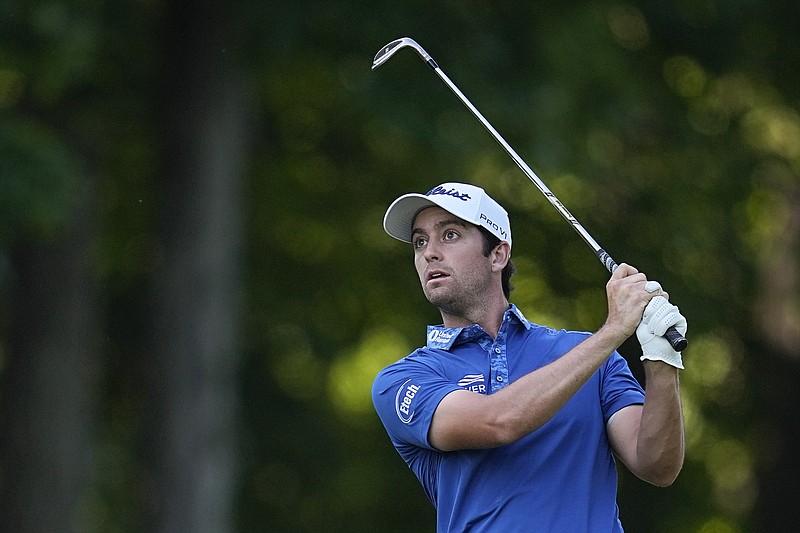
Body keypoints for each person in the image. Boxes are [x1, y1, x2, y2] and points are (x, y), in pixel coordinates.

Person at [372, 182, 687, 532]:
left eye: (449, 235)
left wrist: (662, 361)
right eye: (420, 241)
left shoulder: (590, 357)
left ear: (498, 255)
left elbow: (657, 466)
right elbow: (499, 422)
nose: (429, 252)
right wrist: (612, 331)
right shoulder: (404, 379)